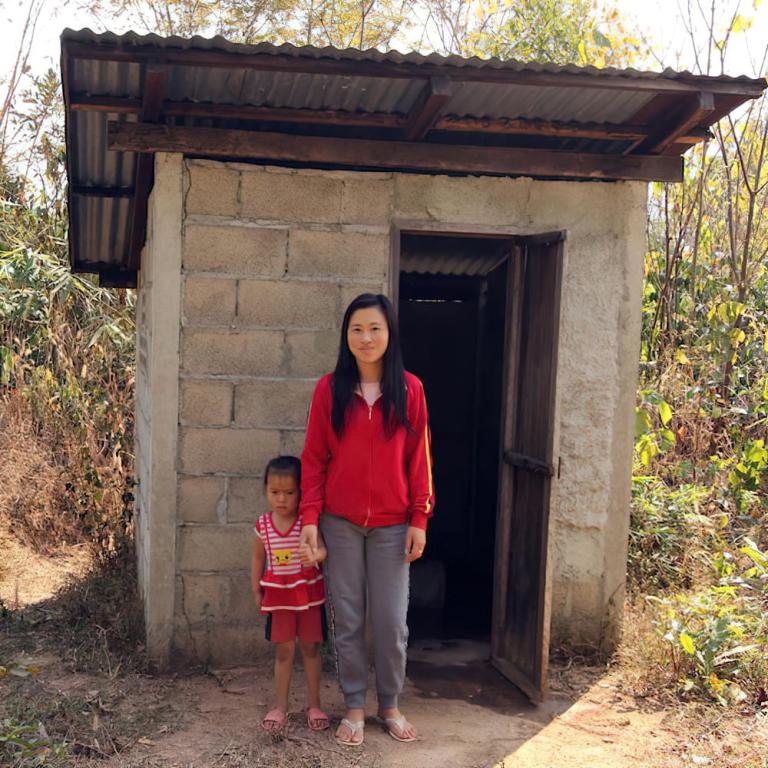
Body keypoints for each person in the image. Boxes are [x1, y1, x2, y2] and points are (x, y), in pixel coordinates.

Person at [299, 293, 434, 746]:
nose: (366, 337)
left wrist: (420, 517)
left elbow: (420, 460)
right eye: (356, 329)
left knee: (393, 622)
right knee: (350, 618)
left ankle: (390, 704)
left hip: (394, 526)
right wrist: (310, 519)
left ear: (389, 333)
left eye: (374, 328)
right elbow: (314, 460)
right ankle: (355, 706)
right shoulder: (329, 390)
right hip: (340, 522)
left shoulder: (410, 390)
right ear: (346, 336)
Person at [251, 455, 329, 733]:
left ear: (301, 493)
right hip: (279, 599)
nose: (281, 499)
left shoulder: (307, 524)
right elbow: (258, 559)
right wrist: (256, 588)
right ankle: (280, 707)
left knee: (310, 649)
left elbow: (322, 550)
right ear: (265, 491)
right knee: (284, 652)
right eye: (274, 492)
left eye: (289, 492)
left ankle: (315, 704)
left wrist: (314, 555)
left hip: (308, 597)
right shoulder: (263, 526)